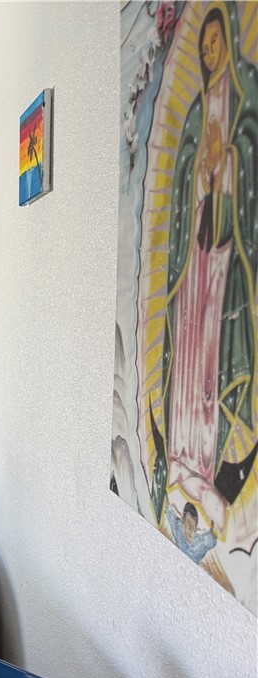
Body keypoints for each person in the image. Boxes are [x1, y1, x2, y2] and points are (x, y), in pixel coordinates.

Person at [154, 4, 257, 540]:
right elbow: (182, 179)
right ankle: (181, 456)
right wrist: (201, 172)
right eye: (206, 45)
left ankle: (204, 461)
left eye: (218, 43)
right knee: (189, 351)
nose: (211, 52)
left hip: (220, 257)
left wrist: (226, 167)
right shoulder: (194, 113)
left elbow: (243, 152)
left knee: (209, 356)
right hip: (194, 255)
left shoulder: (241, 103)